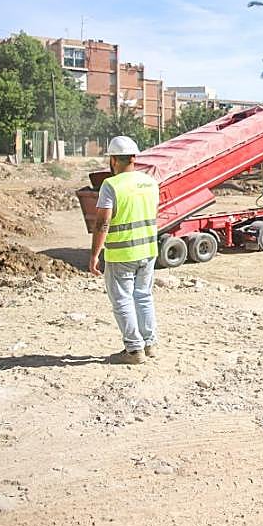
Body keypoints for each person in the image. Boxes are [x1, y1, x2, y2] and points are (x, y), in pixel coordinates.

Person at [89, 135, 160, 365]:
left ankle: (133, 349)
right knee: (144, 297)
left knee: (122, 300)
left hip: (122, 253)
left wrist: (94, 255)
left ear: (112, 160)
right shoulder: (150, 182)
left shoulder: (111, 185)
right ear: (134, 157)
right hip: (149, 250)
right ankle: (149, 344)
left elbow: (102, 223)